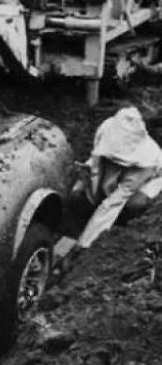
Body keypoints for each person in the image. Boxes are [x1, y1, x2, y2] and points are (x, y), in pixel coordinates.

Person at [67, 107, 162, 262]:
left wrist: (80, 247)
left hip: (152, 178)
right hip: (120, 170)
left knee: (134, 204)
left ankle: (119, 224)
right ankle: (89, 223)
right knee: (78, 196)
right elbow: (98, 158)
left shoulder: (146, 163)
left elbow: (112, 203)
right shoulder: (107, 130)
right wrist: (87, 173)